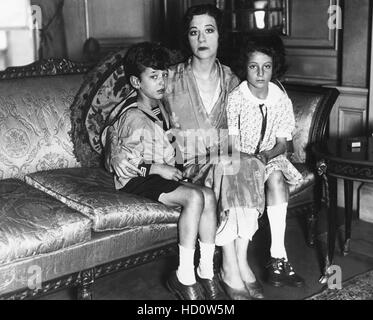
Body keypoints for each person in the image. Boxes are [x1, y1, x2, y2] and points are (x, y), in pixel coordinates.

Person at [104, 4, 267, 300]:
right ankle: (229, 266)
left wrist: (229, 152)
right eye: (194, 32)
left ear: (220, 35)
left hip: (222, 158)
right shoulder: (170, 79)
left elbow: (238, 132)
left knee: (248, 164)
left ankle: (239, 261)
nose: (202, 38)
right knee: (228, 167)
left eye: (209, 30)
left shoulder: (232, 80)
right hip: (186, 166)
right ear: (187, 38)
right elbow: (134, 120)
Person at [101, 42, 226, 300]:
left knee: (209, 195)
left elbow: (170, 140)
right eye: (153, 76)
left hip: (158, 174)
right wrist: (158, 168)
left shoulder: (158, 106)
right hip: (137, 180)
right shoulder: (133, 117)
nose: (161, 82)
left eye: (163, 75)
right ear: (136, 82)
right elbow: (124, 165)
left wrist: (180, 166)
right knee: (194, 197)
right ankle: (184, 275)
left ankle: (206, 270)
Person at [226, 33, 305, 288]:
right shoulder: (236, 98)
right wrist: (249, 159)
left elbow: (283, 144)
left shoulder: (280, 98)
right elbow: (231, 143)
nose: (260, 73)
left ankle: (278, 257)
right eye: (253, 66)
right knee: (247, 173)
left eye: (266, 67)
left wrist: (266, 156)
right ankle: (238, 263)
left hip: (271, 157)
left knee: (277, 177)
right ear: (244, 67)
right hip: (241, 158)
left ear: (274, 67)